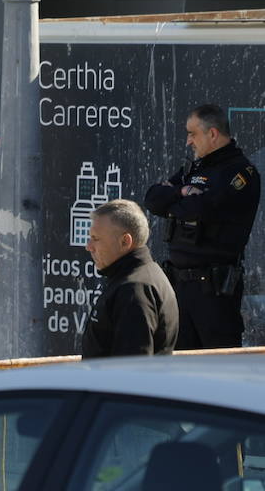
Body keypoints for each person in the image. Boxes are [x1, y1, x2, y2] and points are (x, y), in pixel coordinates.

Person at [144, 104, 260, 349]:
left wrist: (174, 199)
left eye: (192, 134)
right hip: (180, 288)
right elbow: (153, 199)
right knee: (182, 370)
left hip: (215, 293)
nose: (188, 142)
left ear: (213, 134)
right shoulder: (194, 169)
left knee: (219, 371)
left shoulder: (241, 172)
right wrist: (183, 191)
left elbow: (201, 209)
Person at [81, 199, 178, 358]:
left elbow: (131, 370)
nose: (89, 246)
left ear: (125, 241)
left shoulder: (134, 289)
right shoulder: (135, 279)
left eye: (96, 238)